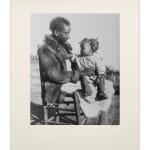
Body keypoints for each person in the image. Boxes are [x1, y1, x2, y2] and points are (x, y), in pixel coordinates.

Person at [37, 17, 93, 104]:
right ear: (56, 32)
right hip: (56, 87)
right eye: (66, 33)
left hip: (69, 81)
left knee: (102, 85)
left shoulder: (63, 47)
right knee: (94, 90)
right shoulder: (46, 50)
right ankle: (92, 112)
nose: (69, 36)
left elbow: (75, 67)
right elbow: (56, 76)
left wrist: (75, 62)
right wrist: (81, 73)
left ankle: (94, 111)